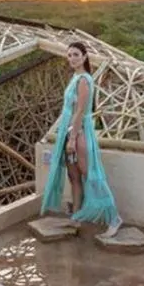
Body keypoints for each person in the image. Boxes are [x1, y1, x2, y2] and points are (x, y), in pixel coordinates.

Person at [39, 41, 123, 238]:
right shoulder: (75, 78)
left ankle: (114, 218)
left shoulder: (84, 79)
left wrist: (72, 139)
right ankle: (76, 217)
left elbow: (80, 111)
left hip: (79, 133)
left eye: (76, 54)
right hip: (69, 132)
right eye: (69, 55)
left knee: (90, 175)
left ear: (85, 56)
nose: (72, 58)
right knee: (73, 176)